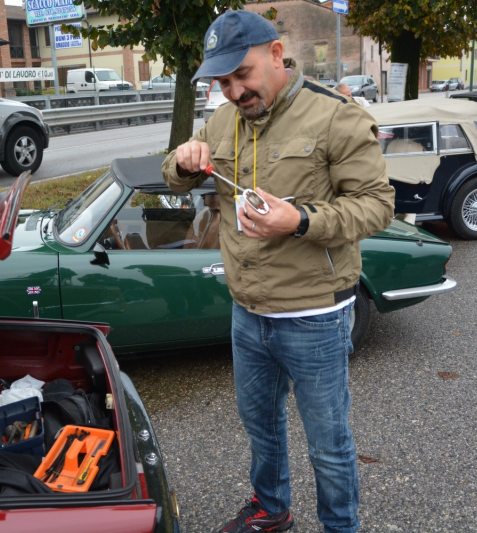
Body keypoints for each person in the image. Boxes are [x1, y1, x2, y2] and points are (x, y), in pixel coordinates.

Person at [161, 9, 394, 533]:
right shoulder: (223, 121)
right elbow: (174, 176)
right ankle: (271, 509)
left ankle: (341, 526)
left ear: (275, 53)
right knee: (261, 428)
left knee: (328, 444)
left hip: (315, 316)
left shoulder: (334, 116)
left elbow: (378, 207)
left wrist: (301, 220)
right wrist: (182, 159)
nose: (234, 92)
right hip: (247, 312)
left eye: (241, 75)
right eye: (223, 82)